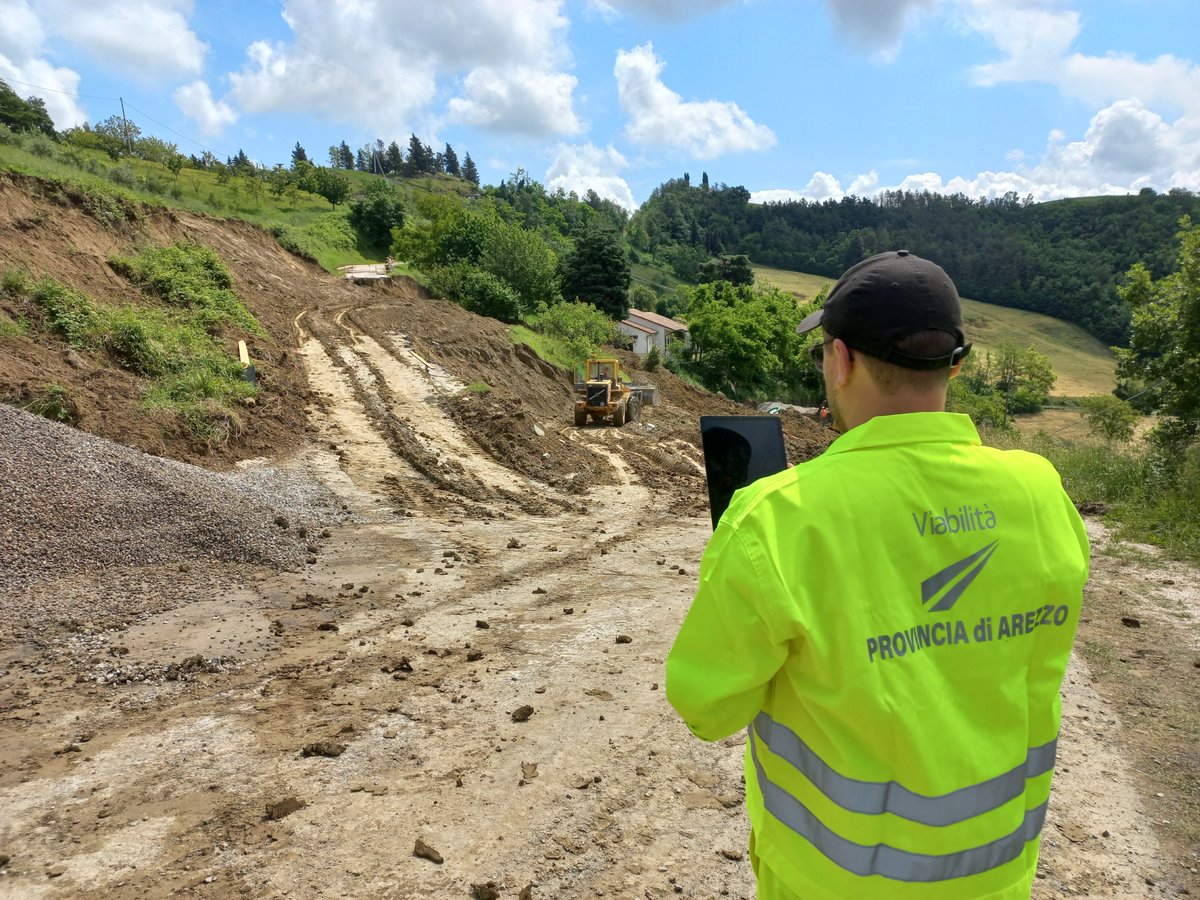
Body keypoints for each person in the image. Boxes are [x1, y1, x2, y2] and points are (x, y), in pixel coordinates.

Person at [666, 250, 1089, 899]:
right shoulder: (1039, 492)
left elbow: (706, 706)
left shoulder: (777, 519)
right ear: (956, 362)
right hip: (996, 880)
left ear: (839, 359)